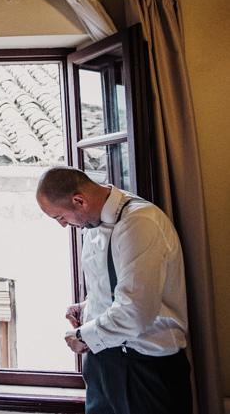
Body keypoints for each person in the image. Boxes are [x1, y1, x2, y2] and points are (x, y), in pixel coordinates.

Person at [35, 166, 192, 414]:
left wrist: (82, 336)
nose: (63, 225)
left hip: (144, 366)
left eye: (60, 217)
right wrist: (87, 306)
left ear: (79, 201)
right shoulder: (94, 224)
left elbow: (135, 311)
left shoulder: (139, 222)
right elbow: (116, 288)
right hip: (103, 360)